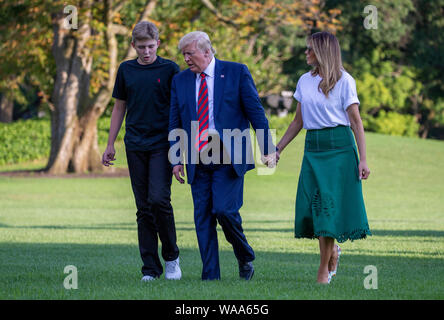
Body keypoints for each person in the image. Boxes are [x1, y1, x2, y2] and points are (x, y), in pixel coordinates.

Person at [168, 31, 277, 281]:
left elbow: (256, 113)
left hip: (229, 153)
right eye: (183, 54)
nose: (185, 59)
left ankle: (244, 254)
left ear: (207, 52)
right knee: (203, 217)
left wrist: (267, 147)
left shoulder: (237, 72)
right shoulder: (181, 80)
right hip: (196, 155)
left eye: (190, 53)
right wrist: (176, 159)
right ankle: (210, 277)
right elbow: (175, 120)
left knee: (224, 211)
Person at [275, 31, 371, 284]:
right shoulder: (304, 81)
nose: (306, 52)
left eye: (310, 49)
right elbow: (298, 121)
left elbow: (356, 122)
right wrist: (279, 148)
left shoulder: (345, 81)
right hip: (313, 150)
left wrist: (363, 159)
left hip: (339, 151)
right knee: (317, 208)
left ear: (323, 52)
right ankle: (333, 251)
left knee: (328, 209)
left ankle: (322, 272)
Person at [102, 21, 182, 282]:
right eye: (141, 47)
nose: (146, 51)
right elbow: (119, 107)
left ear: (158, 43)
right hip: (135, 144)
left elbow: (180, 108)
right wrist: (111, 143)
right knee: (143, 208)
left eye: (150, 46)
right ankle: (150, 268)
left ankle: (171, 258)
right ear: (133, 45)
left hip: (163, 144)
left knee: (159, 199)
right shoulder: (126, 69)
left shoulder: (170, 69)